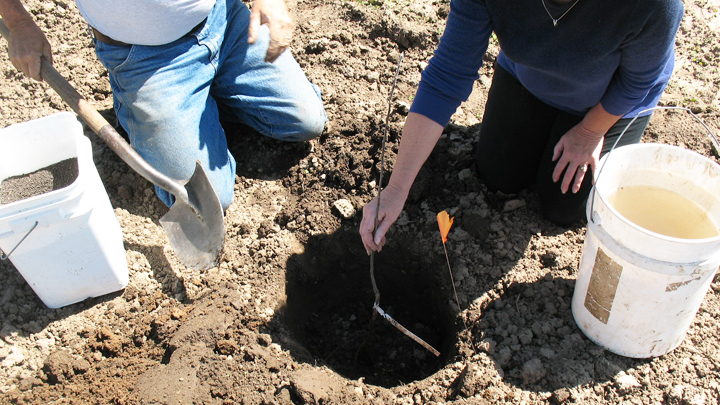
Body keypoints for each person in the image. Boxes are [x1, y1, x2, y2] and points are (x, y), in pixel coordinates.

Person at [360, 0, 684, 254]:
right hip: (529, 76)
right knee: (498, 176)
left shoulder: (651, 5)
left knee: (563, 206)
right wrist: (396, 189)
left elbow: (637, 81)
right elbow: (447, 75)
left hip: (611, 100)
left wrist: (589, 132)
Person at [0, 0, 327, 211]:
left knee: (306, 121)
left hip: (224, 21)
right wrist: (18, 22)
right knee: (208, 199)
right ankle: (144, 109)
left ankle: (199, 102)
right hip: (147, 60)